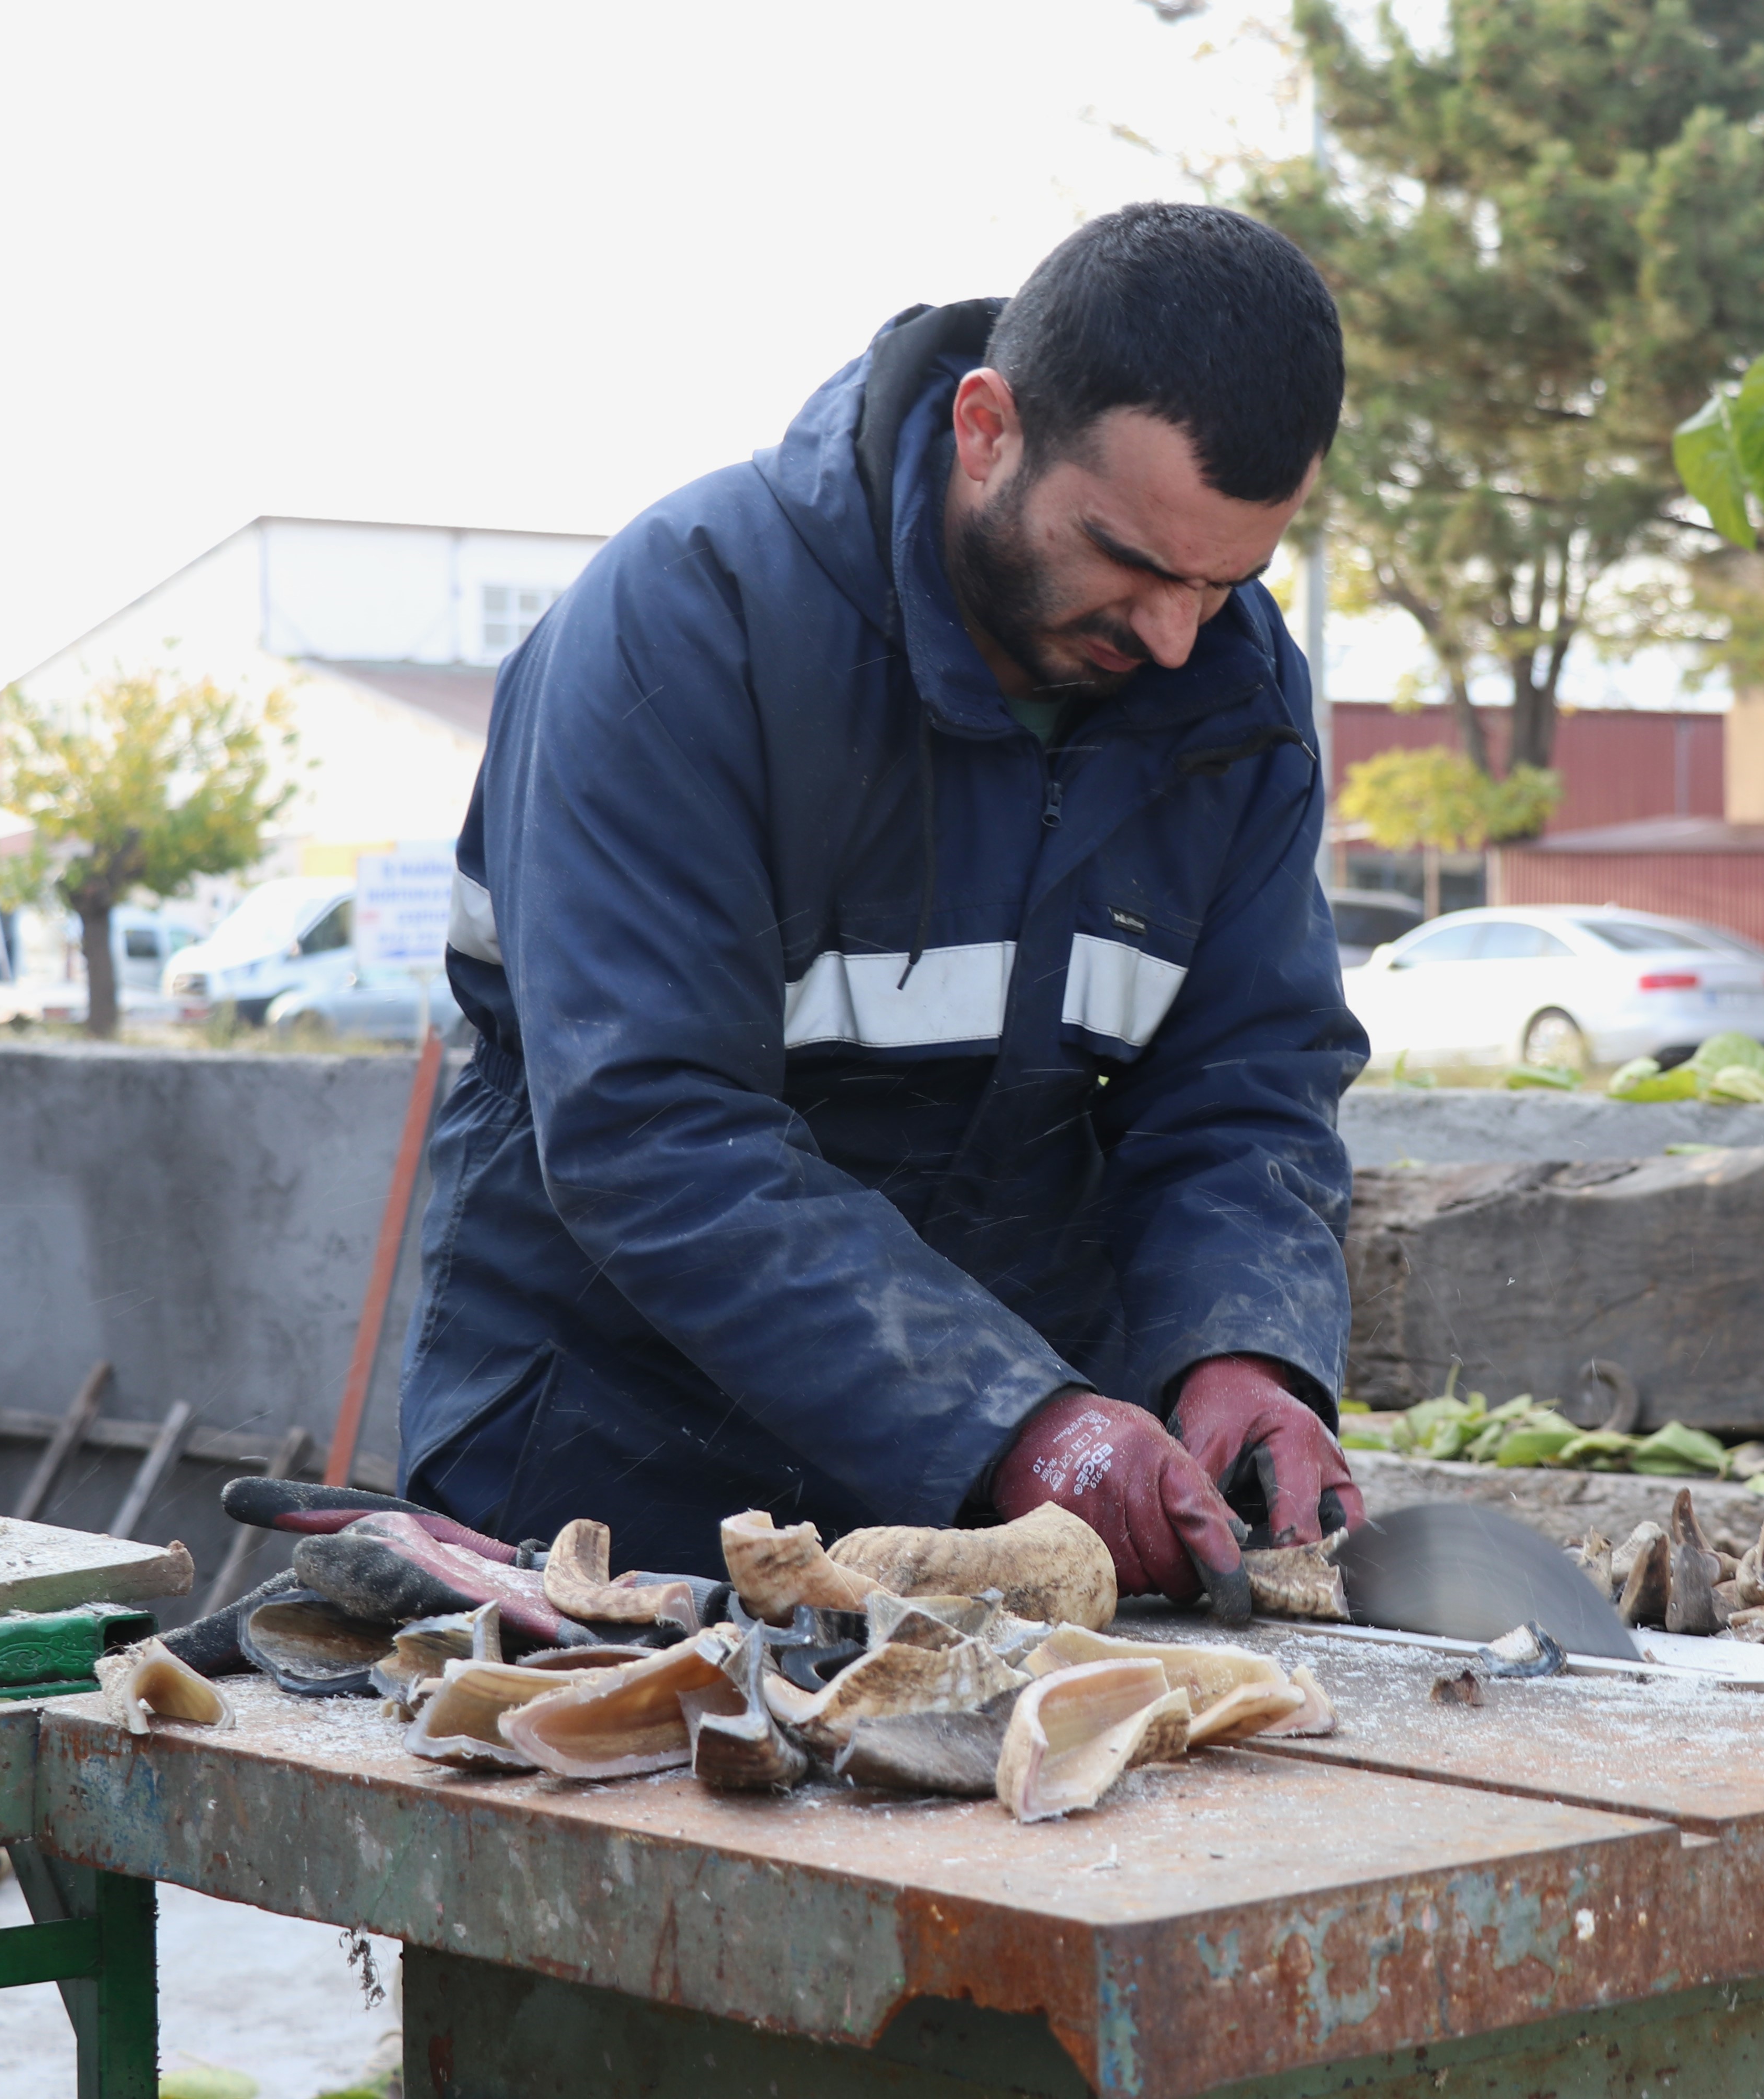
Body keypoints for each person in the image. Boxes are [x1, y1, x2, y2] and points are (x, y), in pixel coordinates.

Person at [397, 203, 1367, 1617]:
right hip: (607, 1475)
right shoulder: (685, 627)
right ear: (987, 429)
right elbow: (654, 1131)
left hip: (1004, 1500)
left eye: (1228, 581)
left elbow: (1249, 1083)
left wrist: (1242, 1351)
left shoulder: (1237, 686)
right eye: (1132, 560)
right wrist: (1017, 1422)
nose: (1176, 635)